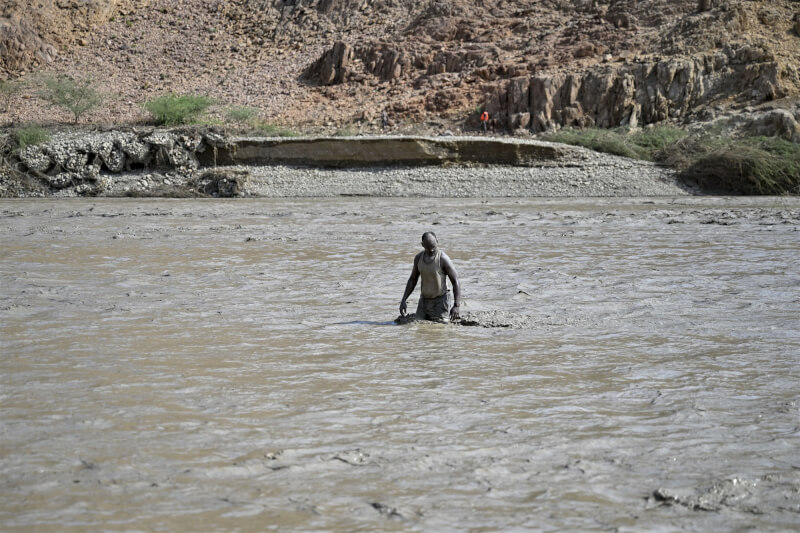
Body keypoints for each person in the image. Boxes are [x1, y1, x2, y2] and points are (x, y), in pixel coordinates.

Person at [399, 232, 461, 322]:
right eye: (428, 249)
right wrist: (404, 300)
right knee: (418, 326)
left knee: (441, 327)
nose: (432, 250)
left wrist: (456, 305)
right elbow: (412, 280)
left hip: (441, 300)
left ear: (437, 241)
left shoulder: (443, 259)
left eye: (433, 247)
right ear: (422, 245)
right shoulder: (418, 258)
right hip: (424, 301)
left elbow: (456, 282)